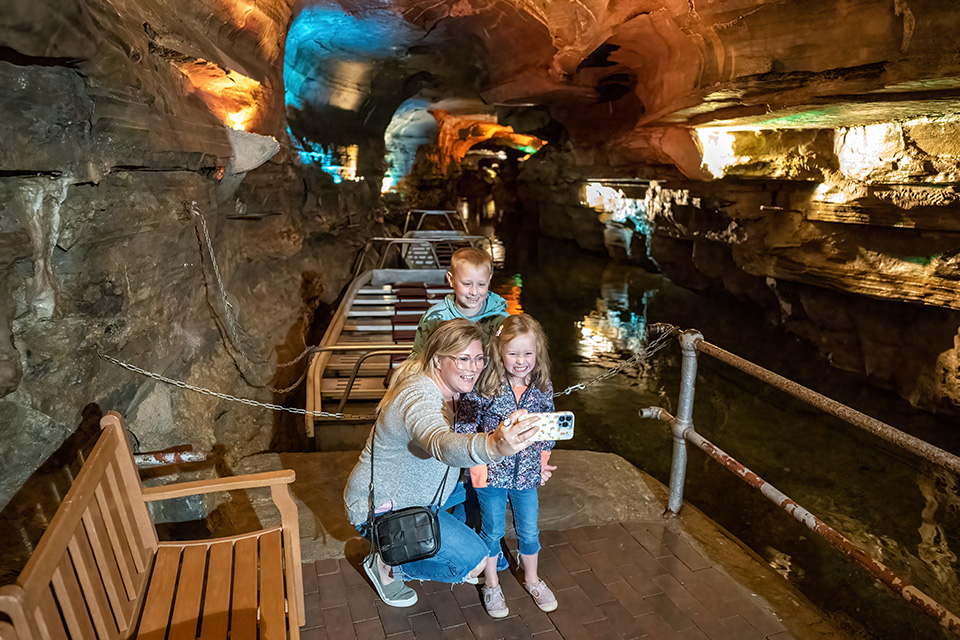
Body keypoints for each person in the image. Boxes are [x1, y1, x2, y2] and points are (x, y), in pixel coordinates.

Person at [343, 318, 541, 608]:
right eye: (462, 359)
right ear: (438, 360)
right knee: (472, 561)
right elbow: (442, 443)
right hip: (382, 509)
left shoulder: (455, 393)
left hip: (426, 496)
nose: (473, 368)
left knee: (481, 489)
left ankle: (431, 541)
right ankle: (388, 564)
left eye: (478, 359)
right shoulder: (418, 397)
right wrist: (494, 445)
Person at [456, 314, 560, 617]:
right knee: (491, 530)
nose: (521, 360)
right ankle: (491, 584)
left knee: (529, 530)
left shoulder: (542, 387)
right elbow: (465, 425)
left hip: (527, 475)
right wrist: (475, 466)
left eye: (527, 353)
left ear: (537, 352)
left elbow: (547, 431)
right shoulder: (485, 384)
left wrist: (542, 463)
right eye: (513, 352)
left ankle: (532, 579)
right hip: (490, 474)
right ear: (499, 351)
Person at [411, 247, 507, 353]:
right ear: (451, 279)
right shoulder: (433, 319)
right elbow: (418, 359)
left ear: (489, 280)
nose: (474, 292)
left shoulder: (502, 319)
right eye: (467, 284)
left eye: (481, 284)